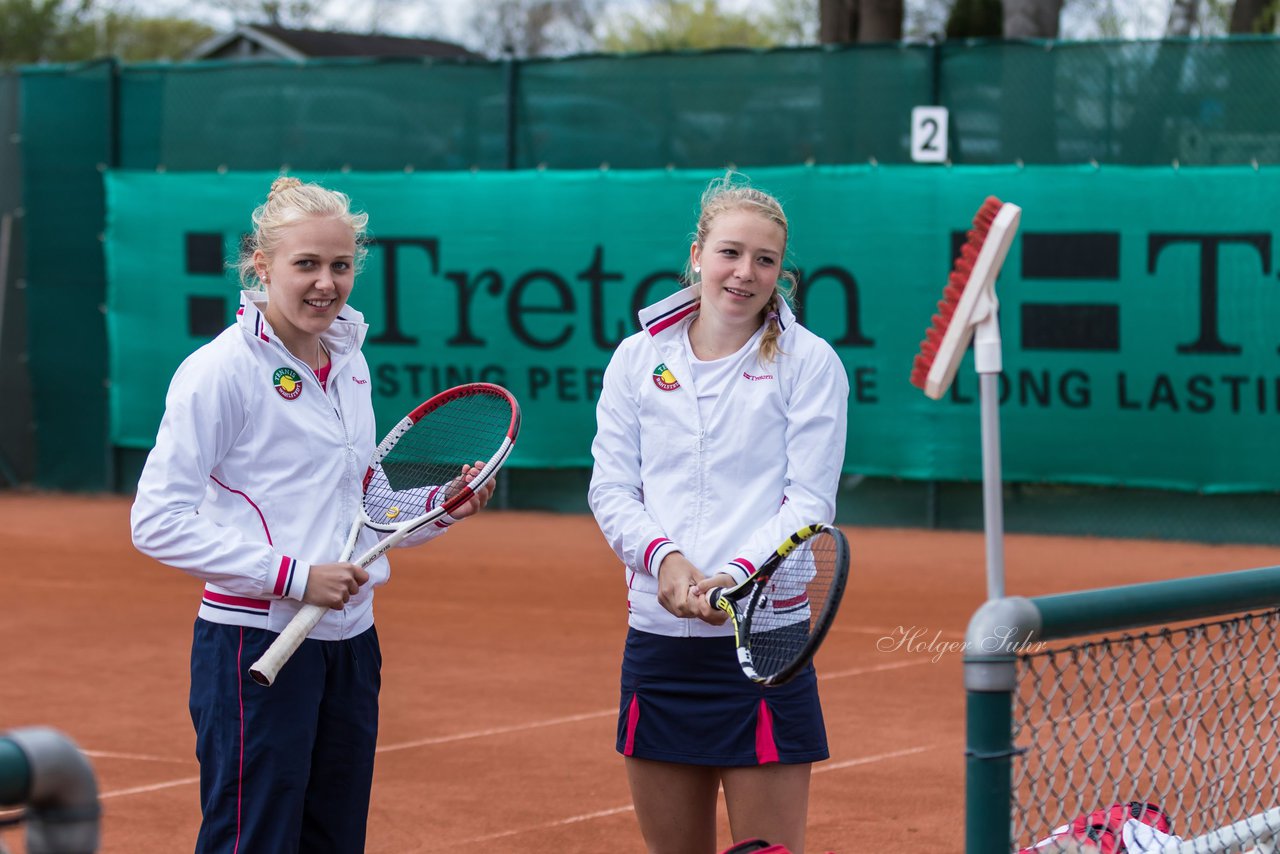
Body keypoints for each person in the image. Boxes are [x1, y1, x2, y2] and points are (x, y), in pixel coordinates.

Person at [130, 176, 494, 854]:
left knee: (333, 839)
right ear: (262, 266)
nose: (325, 283)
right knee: (254, 840)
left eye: (340, 265)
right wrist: (297, 577)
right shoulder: (220, 371)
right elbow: (155, 519)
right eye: (306, 264)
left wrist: (438, 509)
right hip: (255, 647)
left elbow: (363, 505)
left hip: (351, 647)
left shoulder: (349, 362)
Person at [588, 173, 850, 854]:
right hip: (658, 643)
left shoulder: (811, 363)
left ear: (781, 275)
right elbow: (612, 488)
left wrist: (735, 579)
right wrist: (666, 562)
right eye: (731, 252)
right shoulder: (636, 359)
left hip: (765, 645)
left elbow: (809, 502)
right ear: (698, 254)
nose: (746, 272)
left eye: (765, 260)